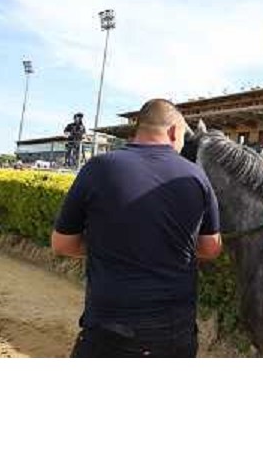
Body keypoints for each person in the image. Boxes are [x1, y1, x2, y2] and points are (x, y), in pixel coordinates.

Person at [51, 99, 223, 358]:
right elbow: (211, 248)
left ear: (138, 128)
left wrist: (109, 246)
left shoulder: (97, 169)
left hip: (107, 330)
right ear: (174, 131)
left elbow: (62, 243)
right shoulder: (196, 177)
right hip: (174, 333)